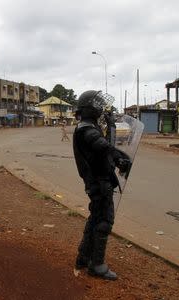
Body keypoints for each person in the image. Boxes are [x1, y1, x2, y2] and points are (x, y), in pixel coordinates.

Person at [72, 90, 131, 281]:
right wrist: (119, 156)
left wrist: (111, 126)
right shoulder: (86, 130)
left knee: (95, 218)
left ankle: (83, 257)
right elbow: (103, 147)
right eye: (97, 105)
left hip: (98, 181)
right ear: (89, 108)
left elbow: (105, 146)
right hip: (99, 183)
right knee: (104, 221)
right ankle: (97, 265)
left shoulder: (87, 126)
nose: (100, 109)